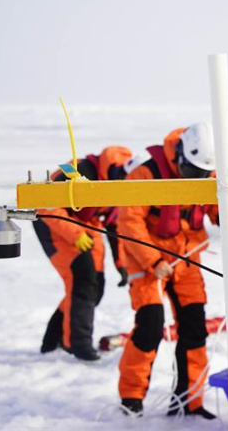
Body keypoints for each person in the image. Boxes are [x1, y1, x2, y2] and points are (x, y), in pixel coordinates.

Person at [116, 123, 228, 418]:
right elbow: (129, 223)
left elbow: (221, 216)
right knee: (150, 327)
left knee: (194, 329)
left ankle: (189, 402)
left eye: (202, 174)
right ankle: (131, 398)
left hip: (186, 261)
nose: (197, 179)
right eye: (192, 172)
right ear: (179, 155)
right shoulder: (146, 172)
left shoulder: (211, 175)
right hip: (148, 262)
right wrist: (153, 262)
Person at [33, 145, 133, 361]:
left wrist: (121, 263)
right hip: (55, 224)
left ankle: (52, 339)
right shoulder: (77, 169)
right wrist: (75, 234)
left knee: (96, 286)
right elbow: (45, 203)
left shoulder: (121, 184)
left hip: (87, 226)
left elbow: (114, 225)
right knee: (83, 281)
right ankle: (77, 345)